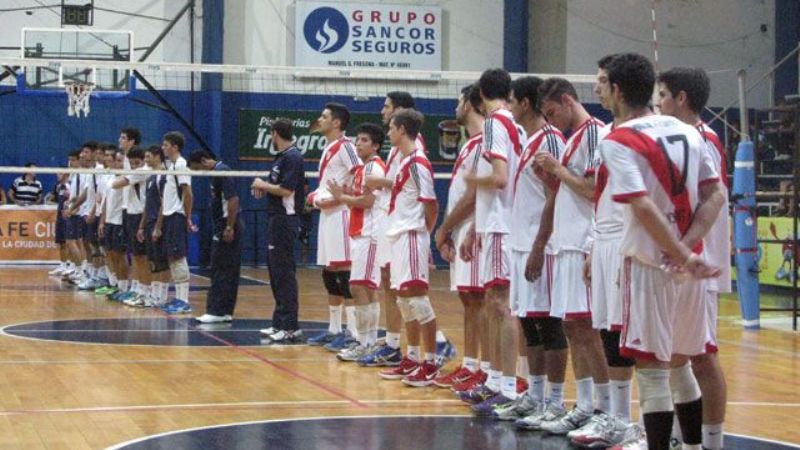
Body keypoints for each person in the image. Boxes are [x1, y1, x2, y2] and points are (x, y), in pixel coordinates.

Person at [599, 53, 724, 450]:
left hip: (651, 265)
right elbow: (716, 194)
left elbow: (641, 205)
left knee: (653, 371)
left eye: (602, 84)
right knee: (682, 362)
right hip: (688, 267)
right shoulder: (687, 130)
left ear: (618, 90)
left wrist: (678, 253)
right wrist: (687, 249)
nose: (599, 91)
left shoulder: (617, 140)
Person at [533, 77, 612, 435]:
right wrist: (550, 177)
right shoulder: (571, 140)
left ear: (567, 101)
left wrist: (558, 170)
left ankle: (605, 408)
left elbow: (594, 189)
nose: (551, 121)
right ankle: (583, 404)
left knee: (588, 328)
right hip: (566, 243)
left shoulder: (594, 132)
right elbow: (569, 187)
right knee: (572, 327)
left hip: (584, 242)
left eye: (552, 113)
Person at [657, 66, 730, 450]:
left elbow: (712, 201)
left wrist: (686, 249)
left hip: (703, 263)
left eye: (663, 95)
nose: (658, 103)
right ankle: (679, 435)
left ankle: (713, 442)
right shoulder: (676, 138)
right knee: (673, 354)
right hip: (683, 260)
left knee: (703, 356)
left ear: (681, 98)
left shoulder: (704, 139)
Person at [494, 76, 570, 424]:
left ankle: (555, 401)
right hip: (522, 243)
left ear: (525, 103)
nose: (508, 107)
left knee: (550, 324)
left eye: (512, 100)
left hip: (544, 246)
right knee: (530, 324)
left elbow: (556, 194)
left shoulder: (550, 140)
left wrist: (540, 245)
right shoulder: (529, 140)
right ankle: (536, 397)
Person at [458, 68, 525, 411]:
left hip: (501, 224)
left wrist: (474, 180)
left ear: (481, 93)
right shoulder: (514, 124)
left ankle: (507, 386)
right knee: (494, 303)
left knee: (501, 305)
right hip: (499, 223)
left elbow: (500, 178)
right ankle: (496, 381)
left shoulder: (495, 124)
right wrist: (475, 225)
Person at [434, 83, 488, 390]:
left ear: (469, 104)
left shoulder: (484, 142)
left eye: (458, 101)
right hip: (462, 229)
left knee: (482, 300)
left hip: (475, 229)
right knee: (469, 300)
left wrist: (444, 229)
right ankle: (470, 365)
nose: (456, 107)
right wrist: (450, 231)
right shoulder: (469, 144)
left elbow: (473, 196)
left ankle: (487, 370)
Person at [382, 108, 441, 387]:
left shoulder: (418, 163)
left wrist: (423, 236)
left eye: (391, 127)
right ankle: (413, 357)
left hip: (411, 235)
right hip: (399, 236)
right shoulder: (406, 161)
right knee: (404, 301)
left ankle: (431, 363)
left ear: (402, 130)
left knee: (417, 300)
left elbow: (431, 204)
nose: (388, 132)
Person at [305, 103, 363, 349]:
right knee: (329, 271)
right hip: (328, 215)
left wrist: (341, 198)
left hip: (342, 215)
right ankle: (334, 329)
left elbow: (360, 174)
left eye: (324, 116)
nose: (320, 119)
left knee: (344, 271)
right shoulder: (329, 146)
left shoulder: (346, 146)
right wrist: (315, 196)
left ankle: (353, 332)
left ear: (336, 122)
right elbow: (328, 182)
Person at [327, 122, 386, 361]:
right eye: (357, 139)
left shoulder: (374, 168)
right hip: (362, 232)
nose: (358, 144)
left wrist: (342, 197)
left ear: (376, 145)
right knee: (366, 287)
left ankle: (364, 342)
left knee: (359, 286)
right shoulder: (364, 168)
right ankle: (368, 342)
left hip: (370, 233)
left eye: (364, 140)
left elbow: (369, 202)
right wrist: (346, 193)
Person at [252, 119, 306, 343]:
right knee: (276, 273)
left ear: (275, 133)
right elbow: (277, 186)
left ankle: (290, 327)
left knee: (284, 274)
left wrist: (262, 184)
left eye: (271, 134)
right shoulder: (281, 157)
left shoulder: (293, 157)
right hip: (276, 219)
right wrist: (263, 187)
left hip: (285, 220)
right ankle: (279, 322)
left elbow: (286, 190)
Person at [189, 149, 243, 323]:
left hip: (227, 225)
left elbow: (233, 199)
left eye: (198, 169)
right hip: (224, 224)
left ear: (204, 161)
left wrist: (229, 227)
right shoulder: (216, 173)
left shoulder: (221, 171)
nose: (199, 173)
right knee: (227, 269)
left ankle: (216, 311)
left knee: (220, 268)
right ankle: (224, 311)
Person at [156, 132, 195, 314]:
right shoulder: (171, 166)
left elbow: (188, 193)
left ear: (175, 147)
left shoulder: (180, 164)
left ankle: (184, 301)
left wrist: (187, 217)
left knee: (178, 257)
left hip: (177, 216)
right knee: (172, 257)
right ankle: (179, 298)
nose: (163, 148)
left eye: (166, 145)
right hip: (169, 216)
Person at [112, 147, 151, 306]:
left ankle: (146, 293)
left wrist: (125, 173)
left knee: (142, 257)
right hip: (131, 214)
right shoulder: (134, 172)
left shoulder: (142, 171)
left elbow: (115, 184)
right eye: (132, 163)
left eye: (137, 162)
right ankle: (138, 290)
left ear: (143, 160)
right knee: (136, 256)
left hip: (140, 215)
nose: (135, 165)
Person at [137, 145, 171, 307]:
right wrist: (141, 226)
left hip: (159, 224)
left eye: (148, 156)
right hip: (149, 223)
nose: (145, 160)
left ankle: (161, 297)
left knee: (162, 262)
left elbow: (165, 203)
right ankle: (154, 295)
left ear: (157, 156)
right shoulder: (151, 178)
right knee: (152, 261)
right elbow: (147, 205)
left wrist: (158, 226)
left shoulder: (163, 176)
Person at [98, 150, 129, 300]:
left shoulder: (126, 180)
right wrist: (102, 221)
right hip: (109, 222)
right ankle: (115, 284)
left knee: (119, 255)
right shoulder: (110, 179)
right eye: (116, 160)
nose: (118, 163)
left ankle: (124, 287)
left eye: (121, 160)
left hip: (120, 222)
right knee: (109, 254)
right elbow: (105, 202)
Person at [48, 172, 71, 276]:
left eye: (60, 173)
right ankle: (62, 265)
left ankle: (71, 266)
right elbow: (55, 200)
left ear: (66, 175)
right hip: (60, 217)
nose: (58, 175)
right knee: (61, 242)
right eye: (57, 173)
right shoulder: (58, 187)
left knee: (69, 243)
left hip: (68, 217)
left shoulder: (70, 185)